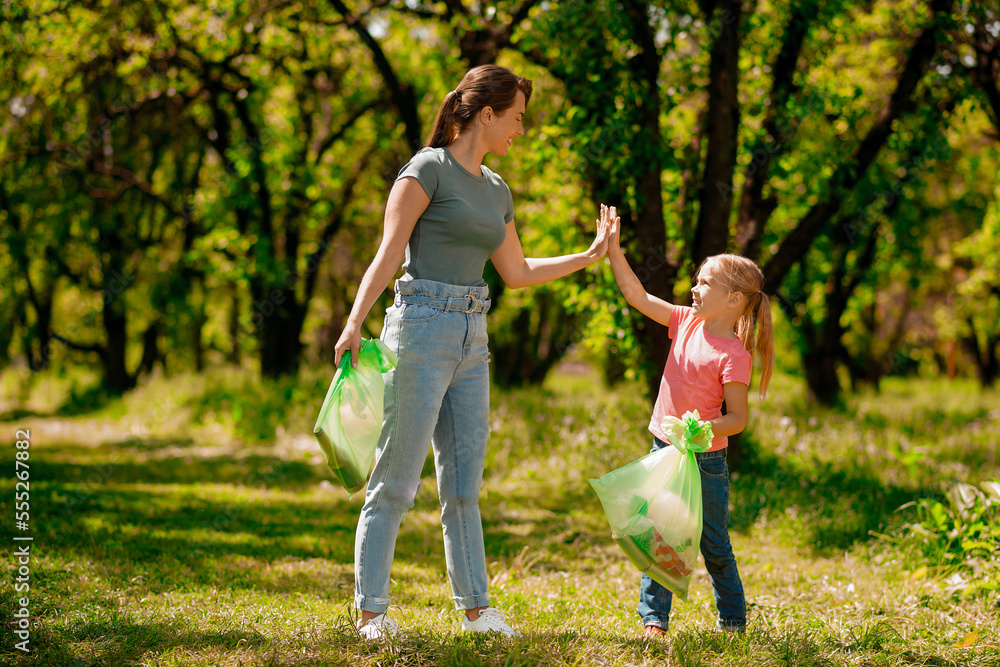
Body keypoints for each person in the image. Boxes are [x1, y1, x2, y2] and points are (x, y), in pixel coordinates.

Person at [333, 64, 612, 640]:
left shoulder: (496, 188)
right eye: (516, 119)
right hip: (419, 329)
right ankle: (372, 613)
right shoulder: (426, 170)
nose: (520, 131)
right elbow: (388, 254)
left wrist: (587, 257)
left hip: (472, 335)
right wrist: (355, 321)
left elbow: (516, 270)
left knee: (463, 485)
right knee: (396, 480)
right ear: (486, 113)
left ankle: (478, 609)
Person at [603, 205, 774, 636]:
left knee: (714, 546)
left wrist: (705, 428)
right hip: (665, 450)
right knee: (659, 535)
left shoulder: (734, 355)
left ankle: (733, 620)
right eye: (696, 280)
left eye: (704, 282)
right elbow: (637, 296)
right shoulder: (684, 322)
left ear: (733, 300)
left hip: (705, 463)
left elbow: (736, 418)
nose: (694, 288)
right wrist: (613, 249)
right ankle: (654, 620)